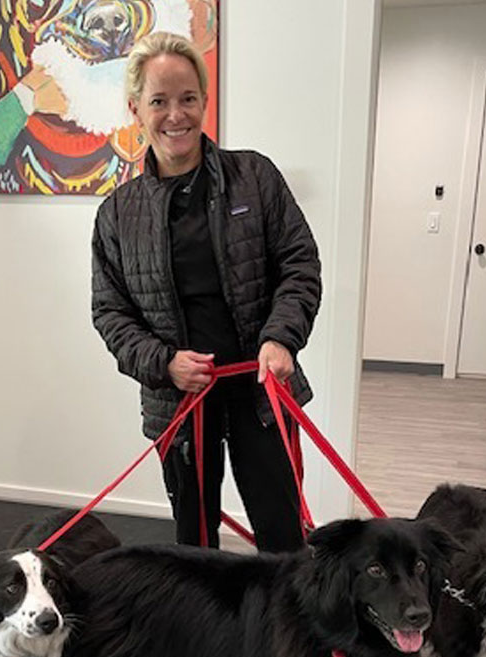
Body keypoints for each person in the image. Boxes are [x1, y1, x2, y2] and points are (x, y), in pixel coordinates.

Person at [91, 32, 321, 553]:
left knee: (282, 538)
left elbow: (299, 264)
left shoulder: (255, 178)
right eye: (159, 101)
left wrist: (282, 338)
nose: (176, 115)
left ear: (204, 100)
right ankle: (207, 637)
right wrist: (164, 362)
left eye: (188, 98)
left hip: (260, 391)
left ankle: (286, 636)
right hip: (178, 400)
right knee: (194, 546)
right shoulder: (117, 214)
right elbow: (110, 313)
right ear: (136, 109)